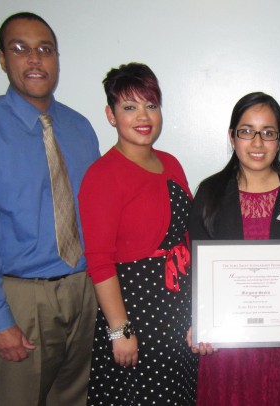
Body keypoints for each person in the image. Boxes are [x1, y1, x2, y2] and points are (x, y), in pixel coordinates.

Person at [0, 12, 100, 406]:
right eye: (20, 49)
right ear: (2, 59)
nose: (34, 59)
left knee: (75, 399)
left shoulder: (80, 128)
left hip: (84, 291)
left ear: (57, 59)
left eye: (44, 50)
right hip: (21, 299)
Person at [189, 92, 280, 405]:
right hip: (225, 345)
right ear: (232, 137)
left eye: (268, 133)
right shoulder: (210, 193)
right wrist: (198, 321)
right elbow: (196, 270)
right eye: (247, 131)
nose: (258, 142)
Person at [79, 62, 197, 405]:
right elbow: (99, 262)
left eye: (151, 105)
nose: (143, 116)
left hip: (177, 303)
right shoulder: (102, 175)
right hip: (136, 310)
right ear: (111, 115)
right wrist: (121, 331)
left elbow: (185, 236)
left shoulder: (170, 162)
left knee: (179, 393)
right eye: (129, 107)